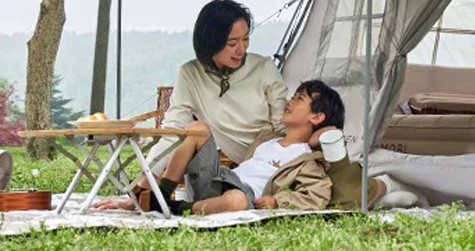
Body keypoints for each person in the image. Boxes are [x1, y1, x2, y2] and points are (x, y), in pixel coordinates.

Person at [96, 80, 423, 213]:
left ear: (317, 116)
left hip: (241, 195)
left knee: (238, 201)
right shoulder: (266, 140)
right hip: (219, 179)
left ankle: (176, 210)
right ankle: (159, 194)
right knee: (197, 128)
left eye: (298, 99)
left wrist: (277, 201)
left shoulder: (308, 159)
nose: (289, 102)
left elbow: (317, 194)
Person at [144, 0, 289, 175]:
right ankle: (154, 189)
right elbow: (174, 132)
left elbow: (284, 128)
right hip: (240, 168)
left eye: (245, 39)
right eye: (232, 43)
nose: (241, 50)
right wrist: (144, 179)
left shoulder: (263, 68)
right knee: (195, 130)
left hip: (271, 162)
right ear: (210, 42)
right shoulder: (191, 74)